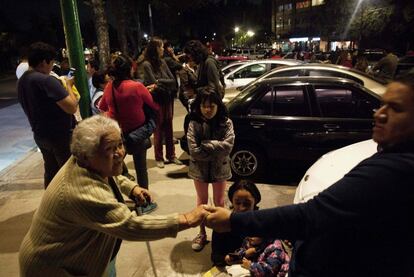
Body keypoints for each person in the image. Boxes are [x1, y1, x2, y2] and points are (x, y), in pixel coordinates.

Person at [205, 74, 414, 276]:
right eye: (383, 104)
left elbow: (311, 216)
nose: (379, 113)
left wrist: (233, 220)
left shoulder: (395, 170)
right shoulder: (391, 156)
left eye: (395, 108)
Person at [18, 115, 208, 276]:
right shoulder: (83, 192)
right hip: (55, 267)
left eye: (120, 144)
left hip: (86, 256)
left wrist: (131, 188)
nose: (120, 153)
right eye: (110, 149)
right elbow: (130, 226)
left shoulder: (89, 162)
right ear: (86, 155)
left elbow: (109, 175)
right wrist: (185, 219)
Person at [99, 54, 157, 213]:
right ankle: (144, 202)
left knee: (114, 168)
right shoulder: (137, 86)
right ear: (130, 69)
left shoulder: (109, 87)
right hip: (137, 133)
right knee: (140, 169)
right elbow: (152, 104)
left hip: (117, 134)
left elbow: (101, 106)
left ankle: (114, 199)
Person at [17, 42, 78, 188]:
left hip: (40, 135)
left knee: (51, 172)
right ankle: (70, 207)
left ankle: (50, 205)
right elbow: (71, 107)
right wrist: (68, 85)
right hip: (59, 137)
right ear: (44, 61)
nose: (52, 67)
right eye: (51, 63)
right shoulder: (46, 80)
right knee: (70, 175)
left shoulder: (22, 81)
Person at [187, 89, 235, 251]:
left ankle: (220, 234)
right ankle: (202, 233)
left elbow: (228, 147)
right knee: (201, 202)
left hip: (220, 169)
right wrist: (215, 150)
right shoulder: (193, 123)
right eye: (204, 105)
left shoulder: (226, 122)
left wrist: (206, 145)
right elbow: (194, 150)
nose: (208, 109)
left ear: (218, 106)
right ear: (199, 106)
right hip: (198, 169)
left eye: (211, 106)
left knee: (219, 202)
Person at [141, 37, 182, 168]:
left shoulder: (163, 62)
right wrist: (160, 84)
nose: (163, 49)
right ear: (155, 48)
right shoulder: (147, 64)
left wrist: (159, 82)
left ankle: (171, 155)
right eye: (161, 47)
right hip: (157, 101)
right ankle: (159, 157)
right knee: (158, 130)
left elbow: (172, 82)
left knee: (169, 129)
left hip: (168, 99)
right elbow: (154, 84)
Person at [211, 180, 262, 267]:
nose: (241, 208)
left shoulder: (262, 222)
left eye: (247, 203)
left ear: (255, 202)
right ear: (232, 201)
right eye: (237, 203)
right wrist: (226, 259)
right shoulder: (222, 223)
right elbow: (215, 257)